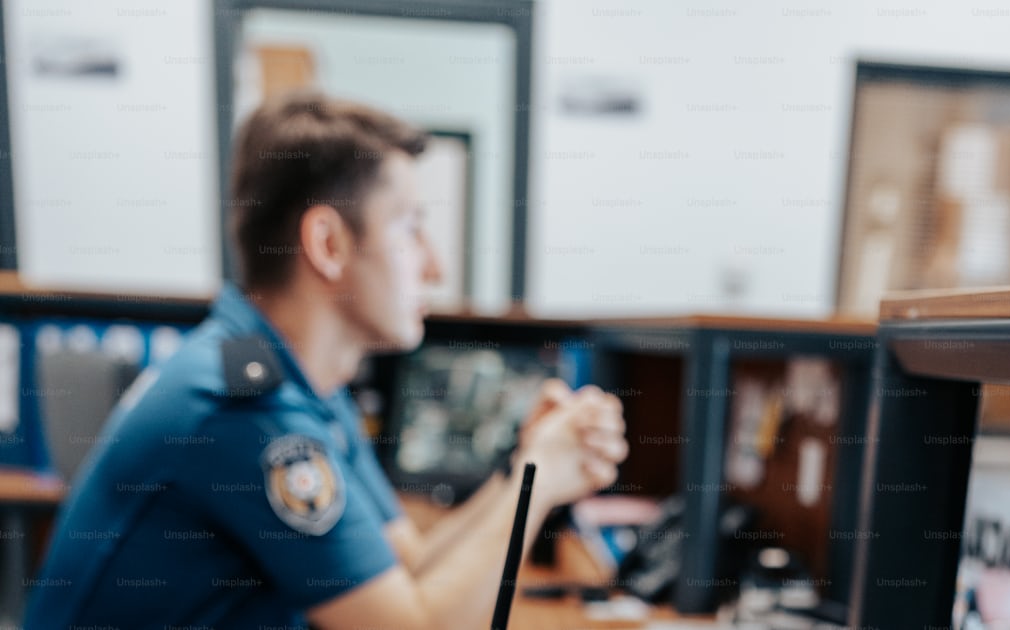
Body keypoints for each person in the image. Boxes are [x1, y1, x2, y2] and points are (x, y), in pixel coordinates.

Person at [24, 92, 629, 629]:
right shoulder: (243, 410)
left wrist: (520, 468)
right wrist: (540, 481)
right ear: (329, 244)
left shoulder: (303, 385)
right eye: (410, 229)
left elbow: (410, 568)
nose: (435, 266)